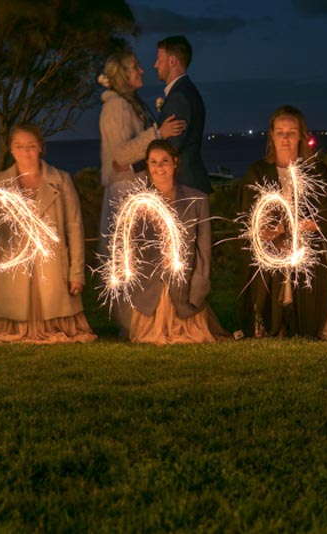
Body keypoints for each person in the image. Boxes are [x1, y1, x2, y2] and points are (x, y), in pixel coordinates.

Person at [0, 124, 96, 344]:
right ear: (11, 150)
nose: (26, 151)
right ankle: (20, 327)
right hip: (14, 267)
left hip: (51, 267)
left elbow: (74, 227)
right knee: (15, 307)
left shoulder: (61, 180)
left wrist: (76, 273)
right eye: (19, 146)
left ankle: (49, 326)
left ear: (41, 147)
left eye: (31, 146)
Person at [98, 50, 185, 334]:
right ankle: (130, 323)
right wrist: (157, 134)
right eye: (135, 67)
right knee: (127, 259)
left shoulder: (129, 105)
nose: (142, 71)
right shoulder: (115, 108)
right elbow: (121, 155)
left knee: (140, 257)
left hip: (133, 188)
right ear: (122, 73)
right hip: (124, 193)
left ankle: (142, 318)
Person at [237, 105, 327, 340]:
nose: (285, 138)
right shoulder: (258, 172)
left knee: (303, 256)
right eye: (280, 132)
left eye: (291, 132)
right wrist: (275, 233)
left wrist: (293, 231)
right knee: (275, 257)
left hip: (308, 244)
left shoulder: (316, 171)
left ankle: (307, 322)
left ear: (301, 136)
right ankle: (274, 322)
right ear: (271, 135)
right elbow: (250, 222)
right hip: (271, 246)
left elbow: (322, 219)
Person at [126, 139, 229, 344]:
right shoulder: (138, 203)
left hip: (184, 285)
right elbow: (132, 248)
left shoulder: (197, 200)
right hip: (152, 287)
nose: (159, 167)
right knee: (148, 338)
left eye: (164, 161)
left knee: (194, 336)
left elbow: (203, 249)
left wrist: (200, 283)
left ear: (175, 162)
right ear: (147, 165)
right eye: (153, 162)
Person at [154, 35, 211, 194]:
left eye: (159, 59)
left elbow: (171, 147)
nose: (155, 64)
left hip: (184, 187)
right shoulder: (188, 90)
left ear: (172, 61)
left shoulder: (179, 97)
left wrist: (132, 165)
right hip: (190, 185)